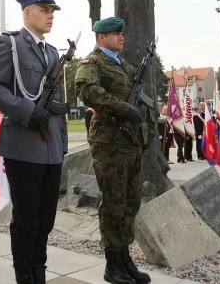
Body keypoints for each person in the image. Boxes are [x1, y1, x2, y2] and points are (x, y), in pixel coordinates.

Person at [0, 0, 67, 284]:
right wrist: (28, 112)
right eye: (44, 10)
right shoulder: (10, 44)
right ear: (27, 12)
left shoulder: (53, 53)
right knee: (26, 220)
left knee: (46, 220)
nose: (50, 15)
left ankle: (39, 271)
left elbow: (57, 104)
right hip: (23, 146)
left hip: (52, 148)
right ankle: (25, 277)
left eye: (52, 10)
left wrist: (62, 146)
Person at [75, 17, 152, 284]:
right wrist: (123, 108)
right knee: (113, 203)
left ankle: (124, 256)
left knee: (131, 201)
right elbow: (87, 90)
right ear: (101, 38)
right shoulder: (92, 62)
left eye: (122, 33)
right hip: (109, 143)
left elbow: (142, 104)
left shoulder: (128, 66)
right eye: (116, 34)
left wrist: (147, 131)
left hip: (132, 143)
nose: (122, 38)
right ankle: (112, 264)